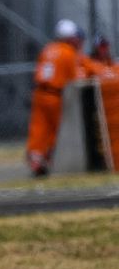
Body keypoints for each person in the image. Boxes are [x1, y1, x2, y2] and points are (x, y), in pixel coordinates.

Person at [26, 19, 85, 176]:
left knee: (38, 127)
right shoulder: (68, 52)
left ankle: (35, 158)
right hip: (54, 95)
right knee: (55, 129)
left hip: (39, 92)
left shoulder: (48, 49)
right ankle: (48, 157)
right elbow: (76, 78)